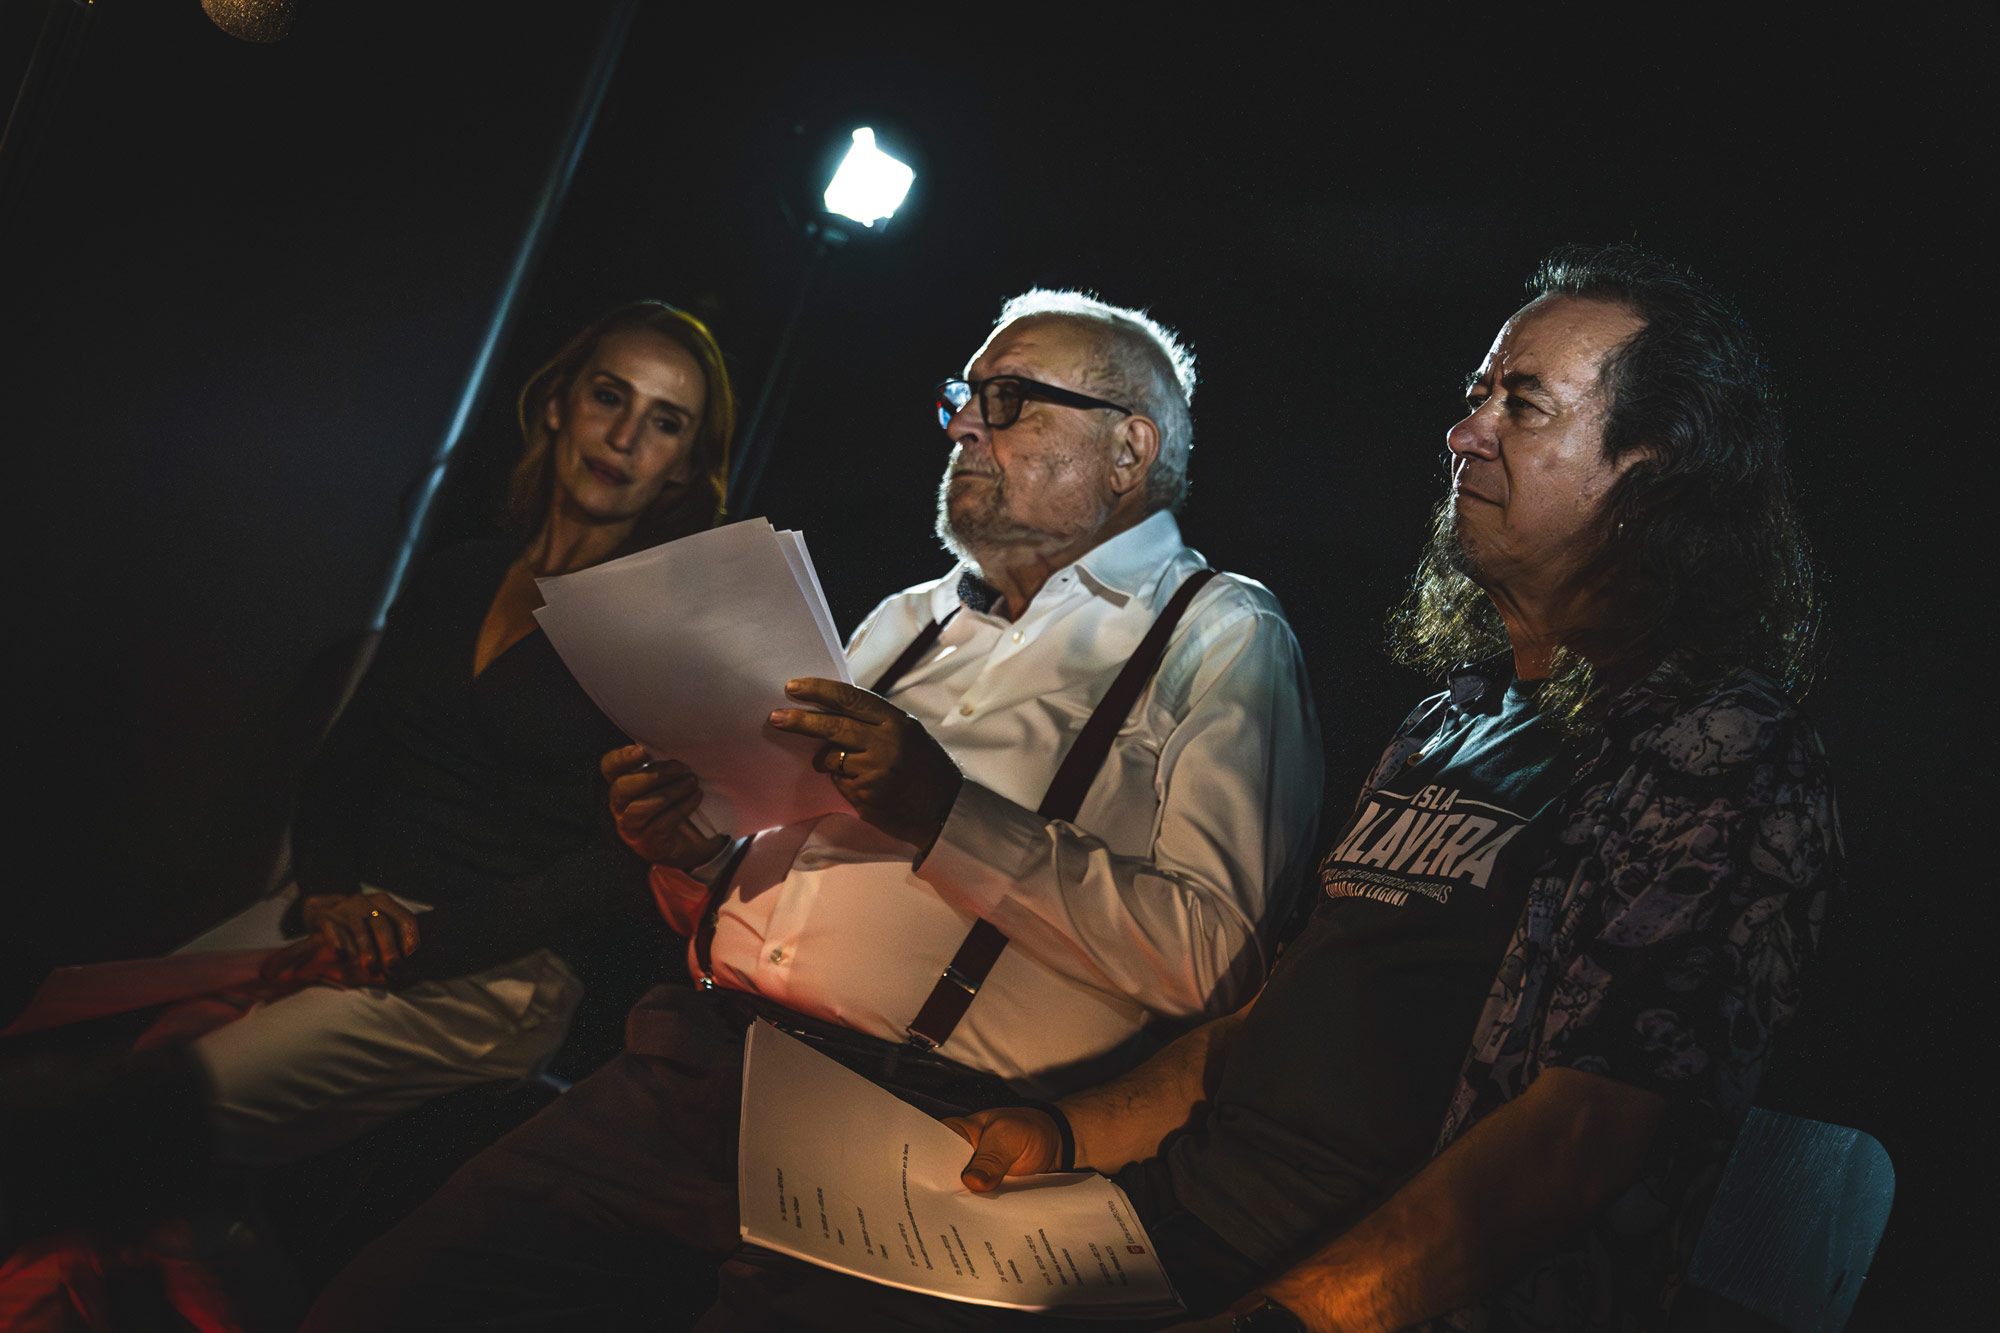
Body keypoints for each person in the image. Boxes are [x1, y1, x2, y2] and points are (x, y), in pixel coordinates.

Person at [303, 290, 1324, 1328]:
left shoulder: (1218, 634)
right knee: (382, 1301)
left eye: (1007, 398)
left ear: (1128, 448)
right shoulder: (906, 618)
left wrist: (947, 814)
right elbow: (769, 856)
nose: (964, 423)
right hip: (688, 1069)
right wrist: (683, 852)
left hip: (919, 1136)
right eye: (960, 398)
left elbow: (1217, 959)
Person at [930, 245, 1843, 1332]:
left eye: (1522, 404)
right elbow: (1273, 1020)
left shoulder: (1717, 748)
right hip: (1159, 1226)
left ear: (1649, 472)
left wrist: (1287, 1319)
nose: (1463, 432)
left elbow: (1574, 1142)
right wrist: (1068, 1130)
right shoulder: (1446, 723)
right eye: (1473, 398)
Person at [189, 300, 738, 1167]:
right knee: (94, 1033)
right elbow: (347, 757)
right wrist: (330, 894)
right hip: (346, 910)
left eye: (664, 422)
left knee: (171, 1099)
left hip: (488, 974)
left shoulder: (658, 636)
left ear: (681, 467)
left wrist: (418, 946)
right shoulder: (461, 574)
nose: (625, 435)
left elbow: (614, 869)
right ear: (557, 403)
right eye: (609, 396)